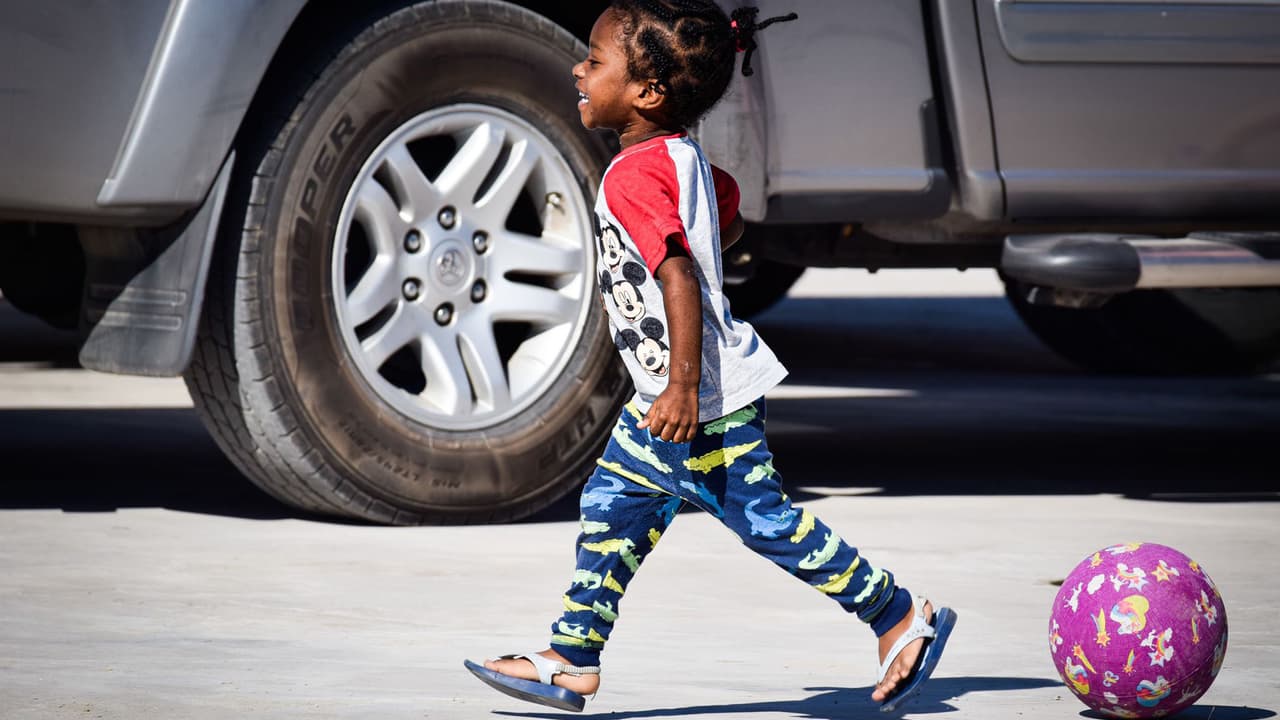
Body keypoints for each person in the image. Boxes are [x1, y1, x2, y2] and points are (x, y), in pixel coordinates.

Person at [464, 1, 955, 713]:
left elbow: (680, 275)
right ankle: (571, 659)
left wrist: (683, 388)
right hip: (667, 398)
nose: (580, 67)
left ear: (648, 93)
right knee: (611, 507)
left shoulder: (633, 177)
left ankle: (900, 616)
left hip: (697, 403)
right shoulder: (678, 157)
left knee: (766, 521)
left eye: (596, 61)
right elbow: (727, 215)